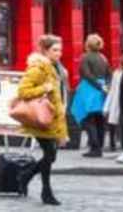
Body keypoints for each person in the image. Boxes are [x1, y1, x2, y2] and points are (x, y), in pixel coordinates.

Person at [15, 34, 67, 206]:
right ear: (45, 50)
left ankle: (25, 176)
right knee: (50, 155)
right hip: (40, 118)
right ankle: (46, 192)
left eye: (60, 50)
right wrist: (44, 88)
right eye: (55, 50)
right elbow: (23, 91)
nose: (59, 53)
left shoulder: (55, 67)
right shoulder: (38, 68)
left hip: (53, 117)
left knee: (51, 157)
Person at [72, 33, 110, 157]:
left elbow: (86, 74)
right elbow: (109, 74)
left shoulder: (85, 57)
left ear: (87, 44)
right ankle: (99, 146)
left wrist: (98, 85)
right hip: (102, 89)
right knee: (100, 120)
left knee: (88, 119)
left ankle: (94, 147)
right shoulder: (104, 57)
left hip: (89, 89)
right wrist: (105, 86)